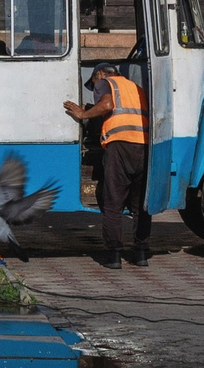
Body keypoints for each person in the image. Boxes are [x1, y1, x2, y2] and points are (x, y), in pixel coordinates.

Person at [64, 61, 151, 269]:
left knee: (113, 202)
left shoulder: (106, 83)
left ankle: (114, 255)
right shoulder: (135, 88)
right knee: (140, 206)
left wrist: (83, 114)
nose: (94, 88)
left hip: (120, 146)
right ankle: (140, 254)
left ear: (100, 74)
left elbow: (107, 105)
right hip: (144, 146)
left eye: (93, 83)